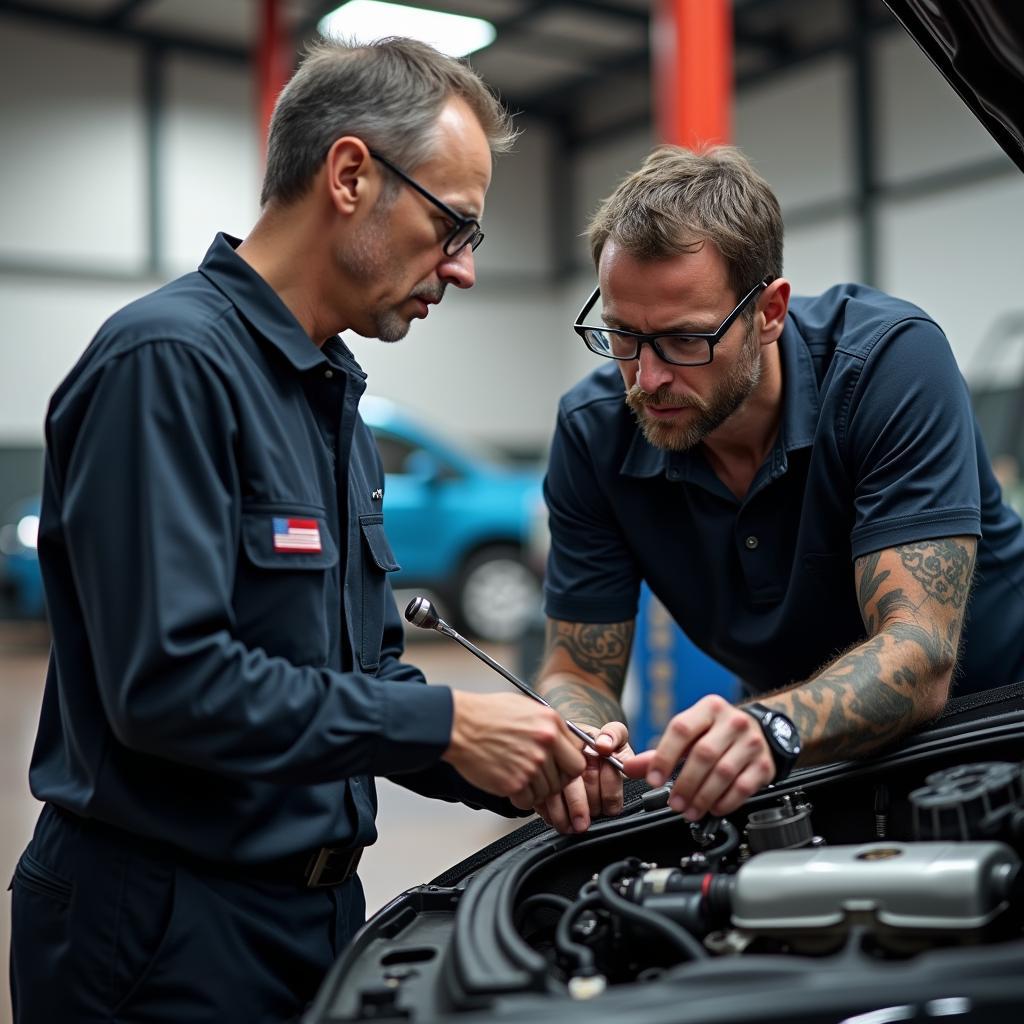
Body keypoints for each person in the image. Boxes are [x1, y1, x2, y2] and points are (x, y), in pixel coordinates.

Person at [9, 37, 587, 1024]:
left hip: (310, 918)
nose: (462, 270)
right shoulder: (168, 365)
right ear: (352, 175)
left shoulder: (331, 399)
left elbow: (347, 688)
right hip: (162, 929)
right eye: (453, 225)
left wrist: (527, 759)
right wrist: (444, 720)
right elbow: (171, 684)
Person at [529, 144, 1024, 837]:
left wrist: (771, 726)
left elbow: (919, 653)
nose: (646, 379)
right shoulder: (594, 433)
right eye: (621, 334)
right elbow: (578, 667)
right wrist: (582, 739)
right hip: (797, 757)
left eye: (684, 340)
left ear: (769, 312)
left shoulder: (889, 366)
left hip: (991, 736)